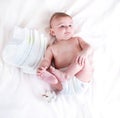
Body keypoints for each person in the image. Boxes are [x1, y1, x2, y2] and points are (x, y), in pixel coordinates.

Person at [37, 12, 93, 93]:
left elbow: (88, 47)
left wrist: (84, 52)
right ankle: (54, 81)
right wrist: (43, 68)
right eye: (62, 26)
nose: (67, 28)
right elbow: (46, 60)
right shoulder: (51, 48)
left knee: (82, 59)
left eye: (70, 25)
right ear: (53, 32)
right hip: (64, 84)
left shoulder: (77, 39)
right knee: (50, 70)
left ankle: (66, 75)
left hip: (81, 77)